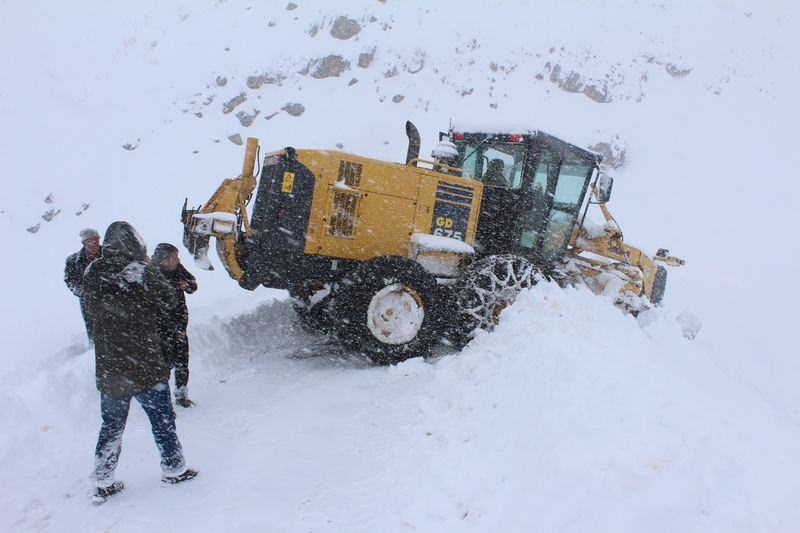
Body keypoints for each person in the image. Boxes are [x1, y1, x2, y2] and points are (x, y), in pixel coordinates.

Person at [82, 221, 197, 501]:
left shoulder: (93, 271)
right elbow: (170, 301)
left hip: (111, 366)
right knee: (162, 418)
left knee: (111, 424)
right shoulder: (143, 272)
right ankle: (173, 467)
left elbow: (90, 308)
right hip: (146, 363)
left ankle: (103, 479)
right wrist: (147, 275)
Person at [152, 243, 198, 408]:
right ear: (164, 259)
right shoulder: (152, 274)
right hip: (160, 331)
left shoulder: (177, 268)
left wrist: (187, 286)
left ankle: (181, 395)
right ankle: (161, 400)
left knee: (182, 364)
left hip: (180, 325)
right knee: (163, 367)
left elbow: (193, 283)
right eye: (174, 257)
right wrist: (172, 329)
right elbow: (156, 308)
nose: (178, 260)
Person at [64, 228, 102, 343]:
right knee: (93, 328)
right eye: (90, 241)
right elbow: (70, 280)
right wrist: (84, 293)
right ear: (84, 243)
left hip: (111, 297)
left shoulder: (110, 253)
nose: (93, 243)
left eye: (96, 240)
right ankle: (94, 349)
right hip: (88, 301)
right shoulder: (73, 260)